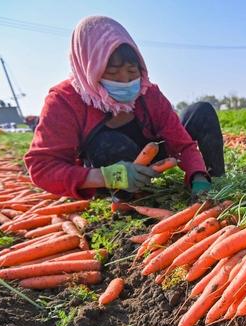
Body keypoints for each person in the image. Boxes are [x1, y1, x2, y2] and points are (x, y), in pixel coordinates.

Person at [24, 16, 225, 201]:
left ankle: (214, 181)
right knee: (111, 144)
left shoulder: (148, 92)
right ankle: (127, 198)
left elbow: (182, 144)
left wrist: (198, 175)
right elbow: (42, 168)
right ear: (90, 69)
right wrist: (107, 176)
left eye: (131, 71)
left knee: (201, 111)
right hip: (104, 173)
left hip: (152, 160)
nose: (125, 81)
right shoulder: (65, 100)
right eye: (112, 72)